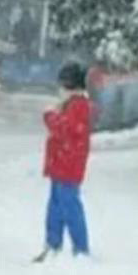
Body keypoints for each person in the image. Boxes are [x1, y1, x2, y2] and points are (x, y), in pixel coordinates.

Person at [33, 61, 94, 262]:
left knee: (69, 206)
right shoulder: (70, 104)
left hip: (68, 165)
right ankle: (53, 243)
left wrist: (50, 117)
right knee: (56, 206)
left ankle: (80, 248)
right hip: (61, 165)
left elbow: (66, 130)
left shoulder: (78, 105)